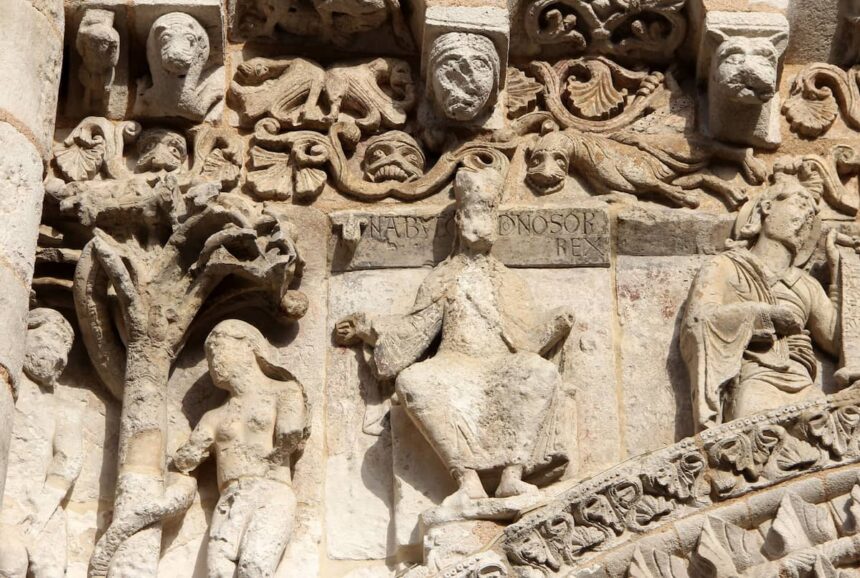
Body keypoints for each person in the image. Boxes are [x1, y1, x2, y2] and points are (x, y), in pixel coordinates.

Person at [336, 164, 574, 504]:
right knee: (415, 381)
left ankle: (512, 475)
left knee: (538, 371)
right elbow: (415, 328)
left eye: (486, 215)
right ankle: (467, 480)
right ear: (458, 223)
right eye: (470, 216)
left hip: (500, 363)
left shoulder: (509, 280)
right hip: (453, 363)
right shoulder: (442, 276)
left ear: (497, 224)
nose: (479, 225)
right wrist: (366, 326)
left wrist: (555, 324)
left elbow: (526, 338)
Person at [682, 165, 846, 431]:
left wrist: (840, 278)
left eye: (811, 211)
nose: (806, 214)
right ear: (767, 207)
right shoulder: (726, 266)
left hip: (803, 382)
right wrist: (762, 317)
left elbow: (837, 341)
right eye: (799, 202)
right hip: (756, 379)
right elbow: (697, 322)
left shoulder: (806, 284)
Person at [173, 320, 309, 578]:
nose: (213, 361)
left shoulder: (284, 392)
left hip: (271, 493)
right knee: (218, 573)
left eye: (219, 349)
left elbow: (290, 433)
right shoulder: (214, 417)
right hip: (230, 501)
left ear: (249, 347)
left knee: (254, 567)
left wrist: (270, 460)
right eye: (209, 354)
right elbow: (185, 460)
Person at [0, 308, 82, 578]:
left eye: (65, 346)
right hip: (8, 497)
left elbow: (69, 458)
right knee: (10, 562)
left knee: (49, 568)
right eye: (50, 337)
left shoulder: (62, 405)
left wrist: (43, 504)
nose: (59, 353)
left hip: (41, 504)